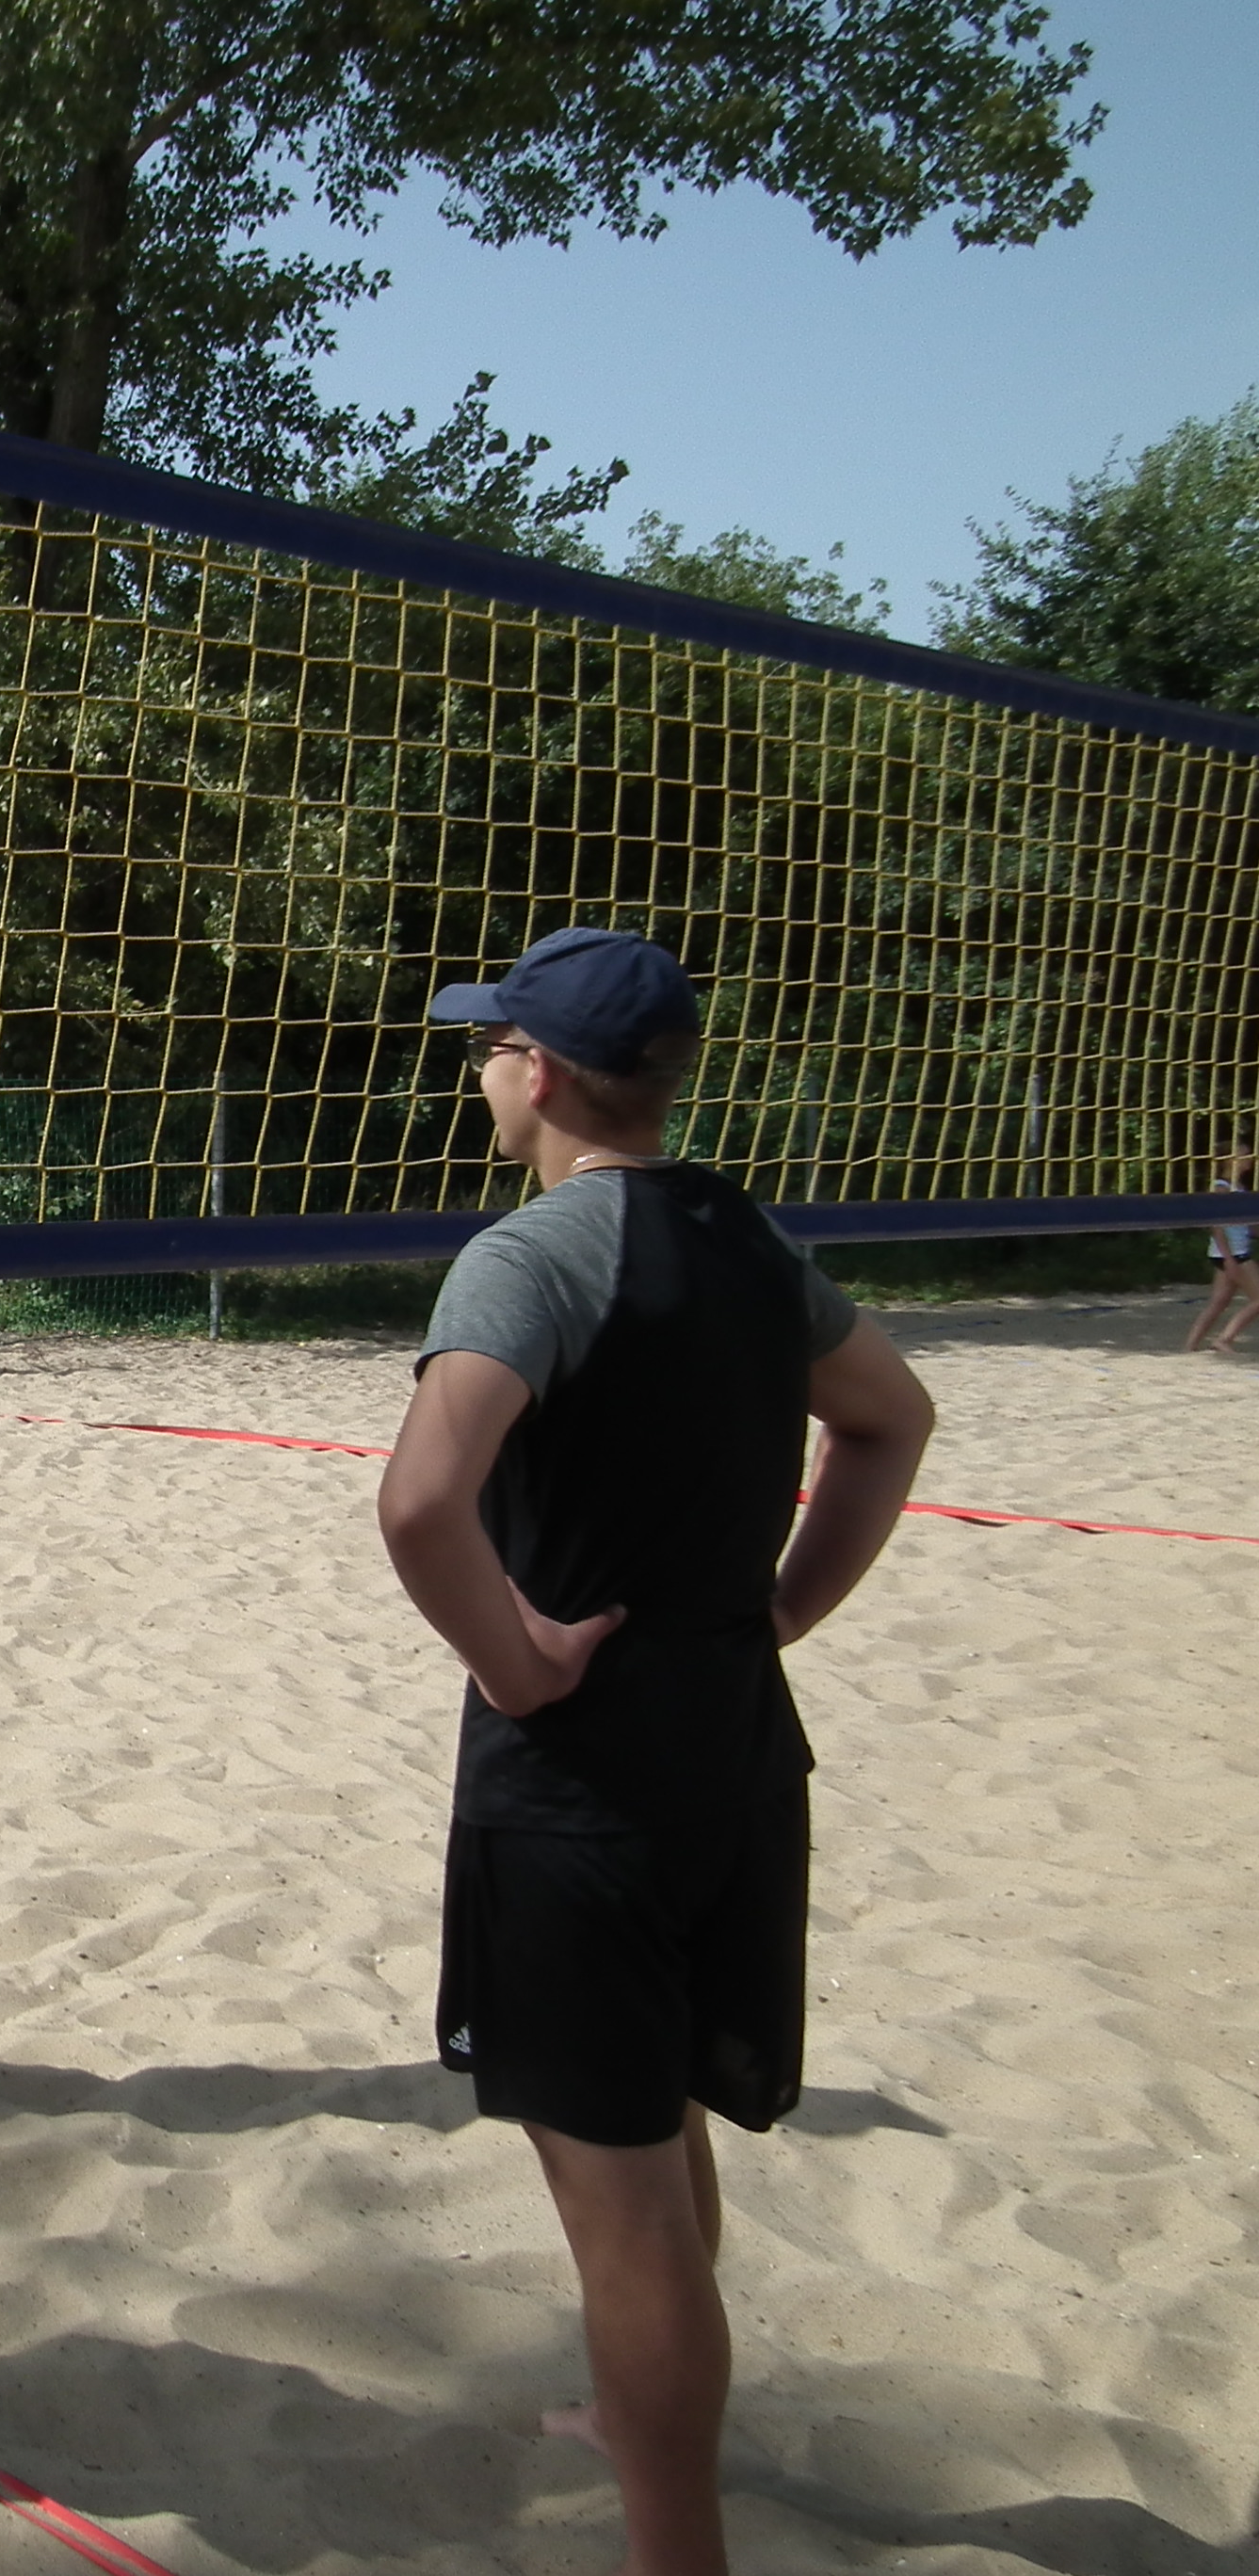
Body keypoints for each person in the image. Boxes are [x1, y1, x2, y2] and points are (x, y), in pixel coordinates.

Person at [377, 928, 936, 2576]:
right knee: (664, 2130)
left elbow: (417, 1503)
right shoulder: (743, 1235)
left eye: (491, 1047)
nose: (479, 1070)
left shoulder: (531, 1255)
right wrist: (781, 1610)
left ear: (542, 1074)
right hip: (738, 1760)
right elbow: (890, 1417)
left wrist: (516, 1658)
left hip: (582, 1787)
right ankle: (638, 2420)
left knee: (620, 2210)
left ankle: (672, 2541)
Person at [1185, 1146, 1253, 1354]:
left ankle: (1190, 1346)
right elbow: (1216, 1226)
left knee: (1218, 1303)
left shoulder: (1239, 1188)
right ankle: (1224, 1339)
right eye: (1245, 1155)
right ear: (1231, 1159)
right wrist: (1229, 1258)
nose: (1250, 1159)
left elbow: (1245, 1226)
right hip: (1234, 1254)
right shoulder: (1221, 1188)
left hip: (1228, 1253)